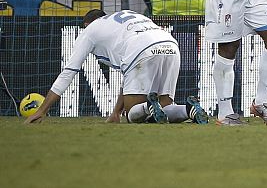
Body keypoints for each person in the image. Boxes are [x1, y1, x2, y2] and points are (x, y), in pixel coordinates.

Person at [24, 9, 208, 125]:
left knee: (133, 114)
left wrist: (42, 110)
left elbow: (69, 72)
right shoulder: (123, 18)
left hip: (141, 48)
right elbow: (128, 76)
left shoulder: (89, 31)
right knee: (165, 106)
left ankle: (148, 107)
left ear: (87, 24)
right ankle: (189, 110)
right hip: (170, 45)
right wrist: (114, 112)